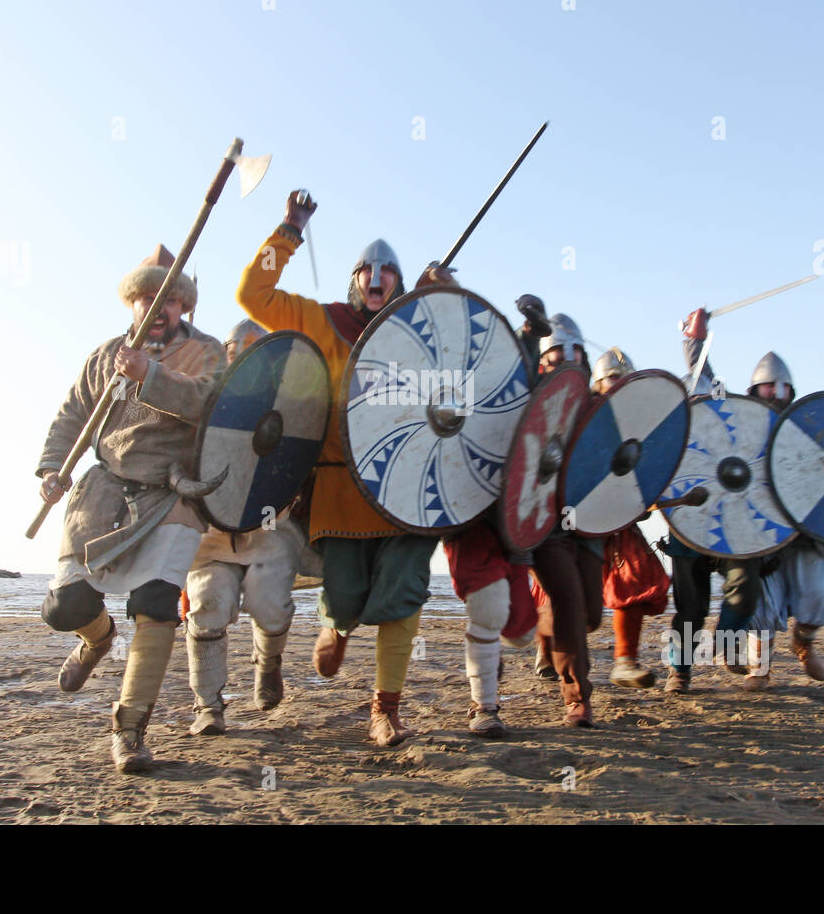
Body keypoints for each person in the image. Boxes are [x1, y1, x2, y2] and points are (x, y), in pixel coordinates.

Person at [235, 191, 452, 746]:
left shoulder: (417, 332)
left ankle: (385, 710)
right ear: (354, 279)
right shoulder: (318, 319)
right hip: (338, 487)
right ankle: (337, 621)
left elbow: (463, 382)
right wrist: (289, 229)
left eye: (388, 271)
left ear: (399, 283)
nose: (376, 275)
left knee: (405, 590)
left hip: (407, 488)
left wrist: (444, 303)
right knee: (349, 596)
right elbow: (251, 294)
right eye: (367, 269)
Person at [36, 244, 225, 771]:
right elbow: (72, 415)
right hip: (105, 489)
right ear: (133, 303)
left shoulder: (207, 351)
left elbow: (213, 404)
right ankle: (97, 640)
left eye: (168, 298)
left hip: (173, 492)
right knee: (64, 607)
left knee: (157, 603)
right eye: (147, 296)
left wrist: (151, 377)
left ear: (183, 306)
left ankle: (130, 730)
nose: (157, 307)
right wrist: (52, 469)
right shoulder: (103, 355)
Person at [182, 321, 310, 734]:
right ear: (228, 352)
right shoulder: (202, 395)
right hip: (211, 534)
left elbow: (301, 459)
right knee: (208, 604)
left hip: (271, 529)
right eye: (242, 350)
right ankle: (207, 705)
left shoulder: (290, 405)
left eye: (260, 350)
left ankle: (268, 663)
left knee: (269, 603)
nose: (250, 359)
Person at [440, 294, 553, 738]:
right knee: (488, 610)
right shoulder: (444, 380)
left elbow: (530, 385)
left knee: (521, 629)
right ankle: (484, 707)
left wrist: (530, 333)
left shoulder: (516, 377)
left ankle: (493, 648)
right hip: (467, 516)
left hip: (513, 518)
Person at [661, 308, 765, 693]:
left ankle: (727, 641)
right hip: (687, 526)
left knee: (745, 581)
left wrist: (694, 335)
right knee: (690, 608)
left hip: (732, 521)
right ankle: (680, 670)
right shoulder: (669, 429)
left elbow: (700, 365)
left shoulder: (728, 417)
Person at [740, 352, 824, 690]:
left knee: (819, 591)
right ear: (756, 390)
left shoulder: (809, 428)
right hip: (760, 530)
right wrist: (694, 343)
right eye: (769, 386)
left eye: (783, 387)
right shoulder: (742, 426)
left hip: (804, 533)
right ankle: (761, 669)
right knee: (760, 604)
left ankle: (804, 642)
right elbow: (704, 396)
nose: (777, 392)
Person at [528, 314, 605, 727]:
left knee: (590, 613)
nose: (566, 362)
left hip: (589, 523)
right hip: (545, 524)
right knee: (570, 602)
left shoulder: (598, 409)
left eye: (573, 355)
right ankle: (577, 697)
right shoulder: (529, 405)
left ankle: (546, 629)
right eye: (556, 356)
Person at [590, 348, 671, 689]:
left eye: (624, 379)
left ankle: (625, 661)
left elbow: (650, 469)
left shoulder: (644, 422)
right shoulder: (582, 415)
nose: (618, 384)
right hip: (574, 518)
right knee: (566, 592)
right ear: (598, 383)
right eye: (612, 378)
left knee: (634, 579)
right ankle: (549, 650)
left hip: (620, 520)